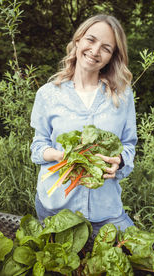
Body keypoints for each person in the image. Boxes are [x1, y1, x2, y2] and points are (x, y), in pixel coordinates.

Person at [30, 14, 137, 236]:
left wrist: (120, 161)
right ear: (78, 40)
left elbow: (129, 145)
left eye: (106, 48)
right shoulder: (48, 94)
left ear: (111, 57)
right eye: (91, 40)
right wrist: (63, 156)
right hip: (55, 209)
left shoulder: (123, 96)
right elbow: (37, 147)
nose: (95, 50)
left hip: (106, 211)